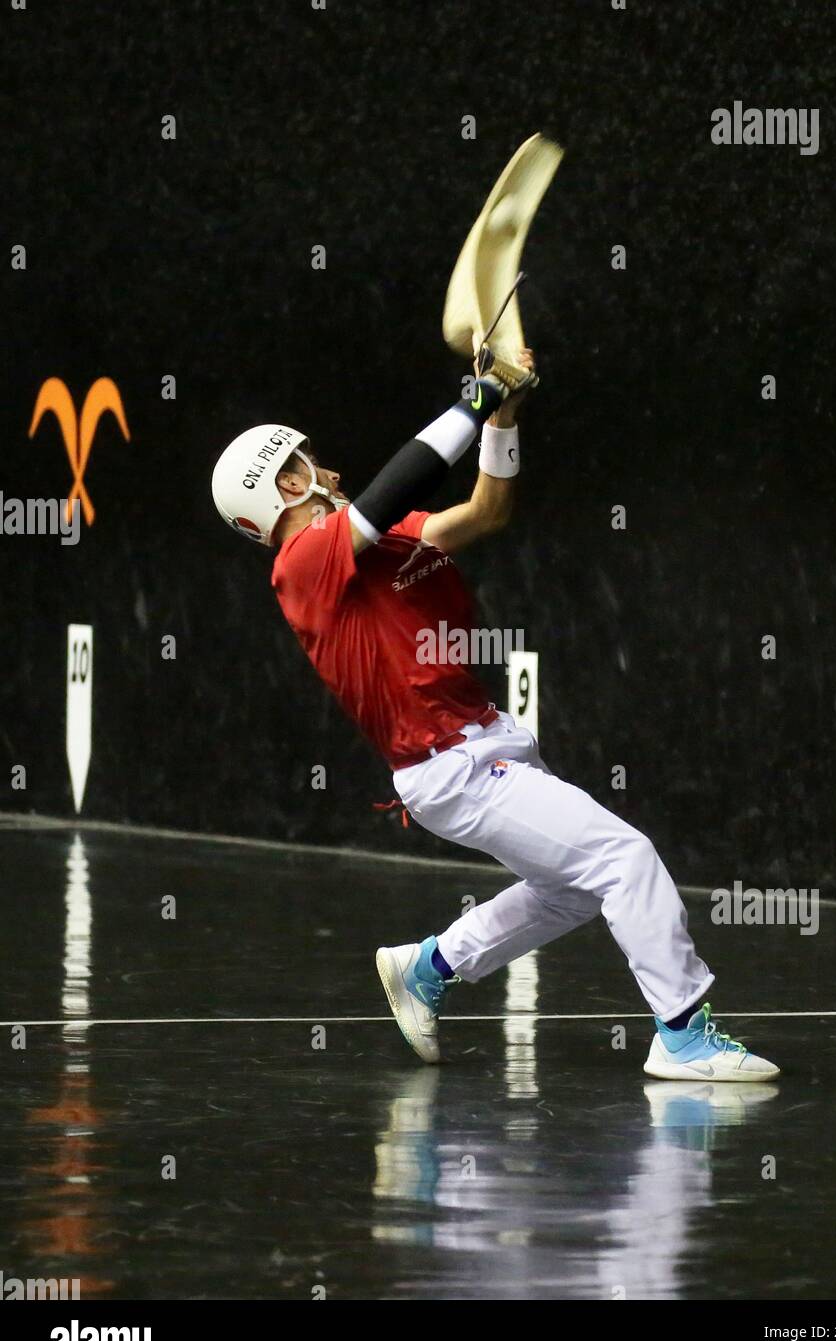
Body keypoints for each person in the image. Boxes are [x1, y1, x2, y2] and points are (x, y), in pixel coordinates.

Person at [211, 349, 779, 1081]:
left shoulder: (373, 542)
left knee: (570, 892)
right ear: (286, 481)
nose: (332, 472)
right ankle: (683, 1035)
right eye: (312, 463)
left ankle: (428, 967)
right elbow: (394, 485)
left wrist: (500, 421)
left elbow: (484, 513)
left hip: (484, 745)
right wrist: (476, 397)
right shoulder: (302, 563)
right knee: (624, 857)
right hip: (453, 769)